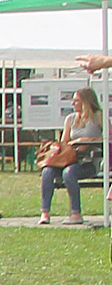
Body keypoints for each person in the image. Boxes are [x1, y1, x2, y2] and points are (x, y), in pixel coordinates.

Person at [38, 85, 103, 225]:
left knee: (69, 173)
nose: (73, 104)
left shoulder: (98, 116)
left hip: (88, 161)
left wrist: (89, 140)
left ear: (86, 101)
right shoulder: (71, 119)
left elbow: (108, 138)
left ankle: (76, 213)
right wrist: (72, 143)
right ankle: (45, 212)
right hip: (70, 158)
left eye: (76, 101)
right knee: (47, 171)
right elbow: (65, 142)